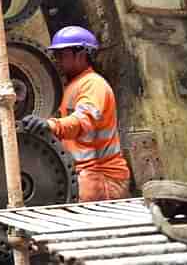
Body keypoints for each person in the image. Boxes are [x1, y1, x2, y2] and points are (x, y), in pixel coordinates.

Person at [21, 26, 131, 202]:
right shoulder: (73, 86)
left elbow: (82, 122)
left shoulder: (94, 84)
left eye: (61, 54)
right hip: (85, 176)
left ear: (81, 54)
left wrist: (50, 125)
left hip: (102, 179)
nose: (56, 60)